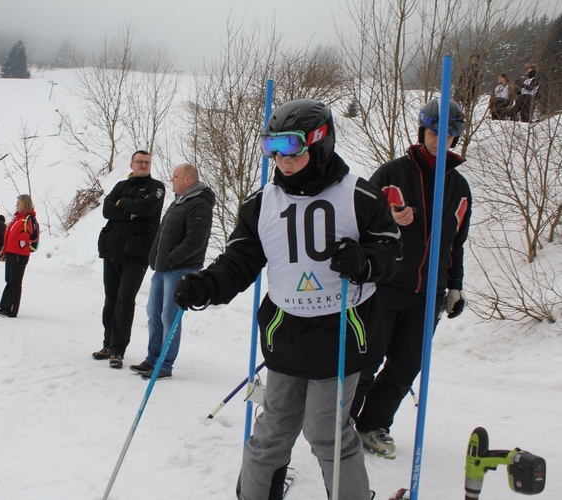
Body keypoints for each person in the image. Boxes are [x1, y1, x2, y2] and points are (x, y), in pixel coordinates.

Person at [174, 99, 402, 500]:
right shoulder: (261, 203)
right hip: (287, 332)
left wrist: (365, 262)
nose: (281, 159)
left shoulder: (360, 196)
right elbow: (241, 260)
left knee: (325, 432)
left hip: (342, 331)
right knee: (271, 433)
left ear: (320, 143)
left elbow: (392, 251)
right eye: (271, 148)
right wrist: (207, 286)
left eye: (291, 148)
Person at [350, 97, 472, 459]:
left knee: (405, 367)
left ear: (456, 137)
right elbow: (356, 222)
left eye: (448, 133)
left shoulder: (460, 188)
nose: (440, 138)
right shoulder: (392, 173)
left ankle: (372, 424)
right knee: (367, 361)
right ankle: (338, 425)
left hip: (428, 293)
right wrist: (388, 218)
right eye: (434, 131)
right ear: (423, 130)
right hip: (384, 286)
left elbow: (457, 244)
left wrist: (454, 286)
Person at [129, 163, 215, 380]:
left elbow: (196, 241)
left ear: (188, 179)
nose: (172, 180)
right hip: (162, 269)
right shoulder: (178, 201)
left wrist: (170, 259)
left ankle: (164, 365)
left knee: (169, 317)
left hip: (180, 270)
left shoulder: (199, 204)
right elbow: (163, 234)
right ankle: (152, 359)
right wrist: (154, 257)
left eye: (175, 176)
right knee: (153, 314)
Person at [93, 151, 165, 369]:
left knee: (125, 301)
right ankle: (108, 344)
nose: (143, 165)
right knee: (110, 300)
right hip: (113, 251)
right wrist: (130, 210)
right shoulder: (120, 186)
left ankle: (118, 350)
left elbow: (147, 208)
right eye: (139, 162)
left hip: (137, 255)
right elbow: (107, 210)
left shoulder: (156, 187)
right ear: (132, 164)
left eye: (147, 162)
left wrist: (122, 205)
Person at [0, 194, 39, 318]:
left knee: (15, 282)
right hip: (11, 253)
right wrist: (4, 252)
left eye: (18, 203)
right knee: (9, 280)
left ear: (25, 203)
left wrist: (22, 238)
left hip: (20, 255)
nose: (16, 205)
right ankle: (4, 306)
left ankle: (12, 310)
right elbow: (8, 237)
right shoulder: (17, 219)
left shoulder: (29, 218)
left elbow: (34, 236)